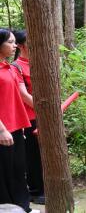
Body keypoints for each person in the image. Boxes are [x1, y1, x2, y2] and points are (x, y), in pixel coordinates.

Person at [0, 28, 35, 212]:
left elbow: (15, 98)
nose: (15, 46)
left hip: (15, 127)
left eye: (15, 42)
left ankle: (23, 207)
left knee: (18, 170)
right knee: (4, 173)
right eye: (10, 42)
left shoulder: (9, 67)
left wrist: (21, 125)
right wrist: (1, 130)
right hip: (2, 130)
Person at [11, 30, 45, 205]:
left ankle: (45, 187)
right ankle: (35, 191)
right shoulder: (16, 67)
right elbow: (23, 95)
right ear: (20, 45)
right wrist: (46, 111)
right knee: (32, 155)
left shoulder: (39, 63)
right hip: (29, 117)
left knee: (43, 154)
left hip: (44, 115)